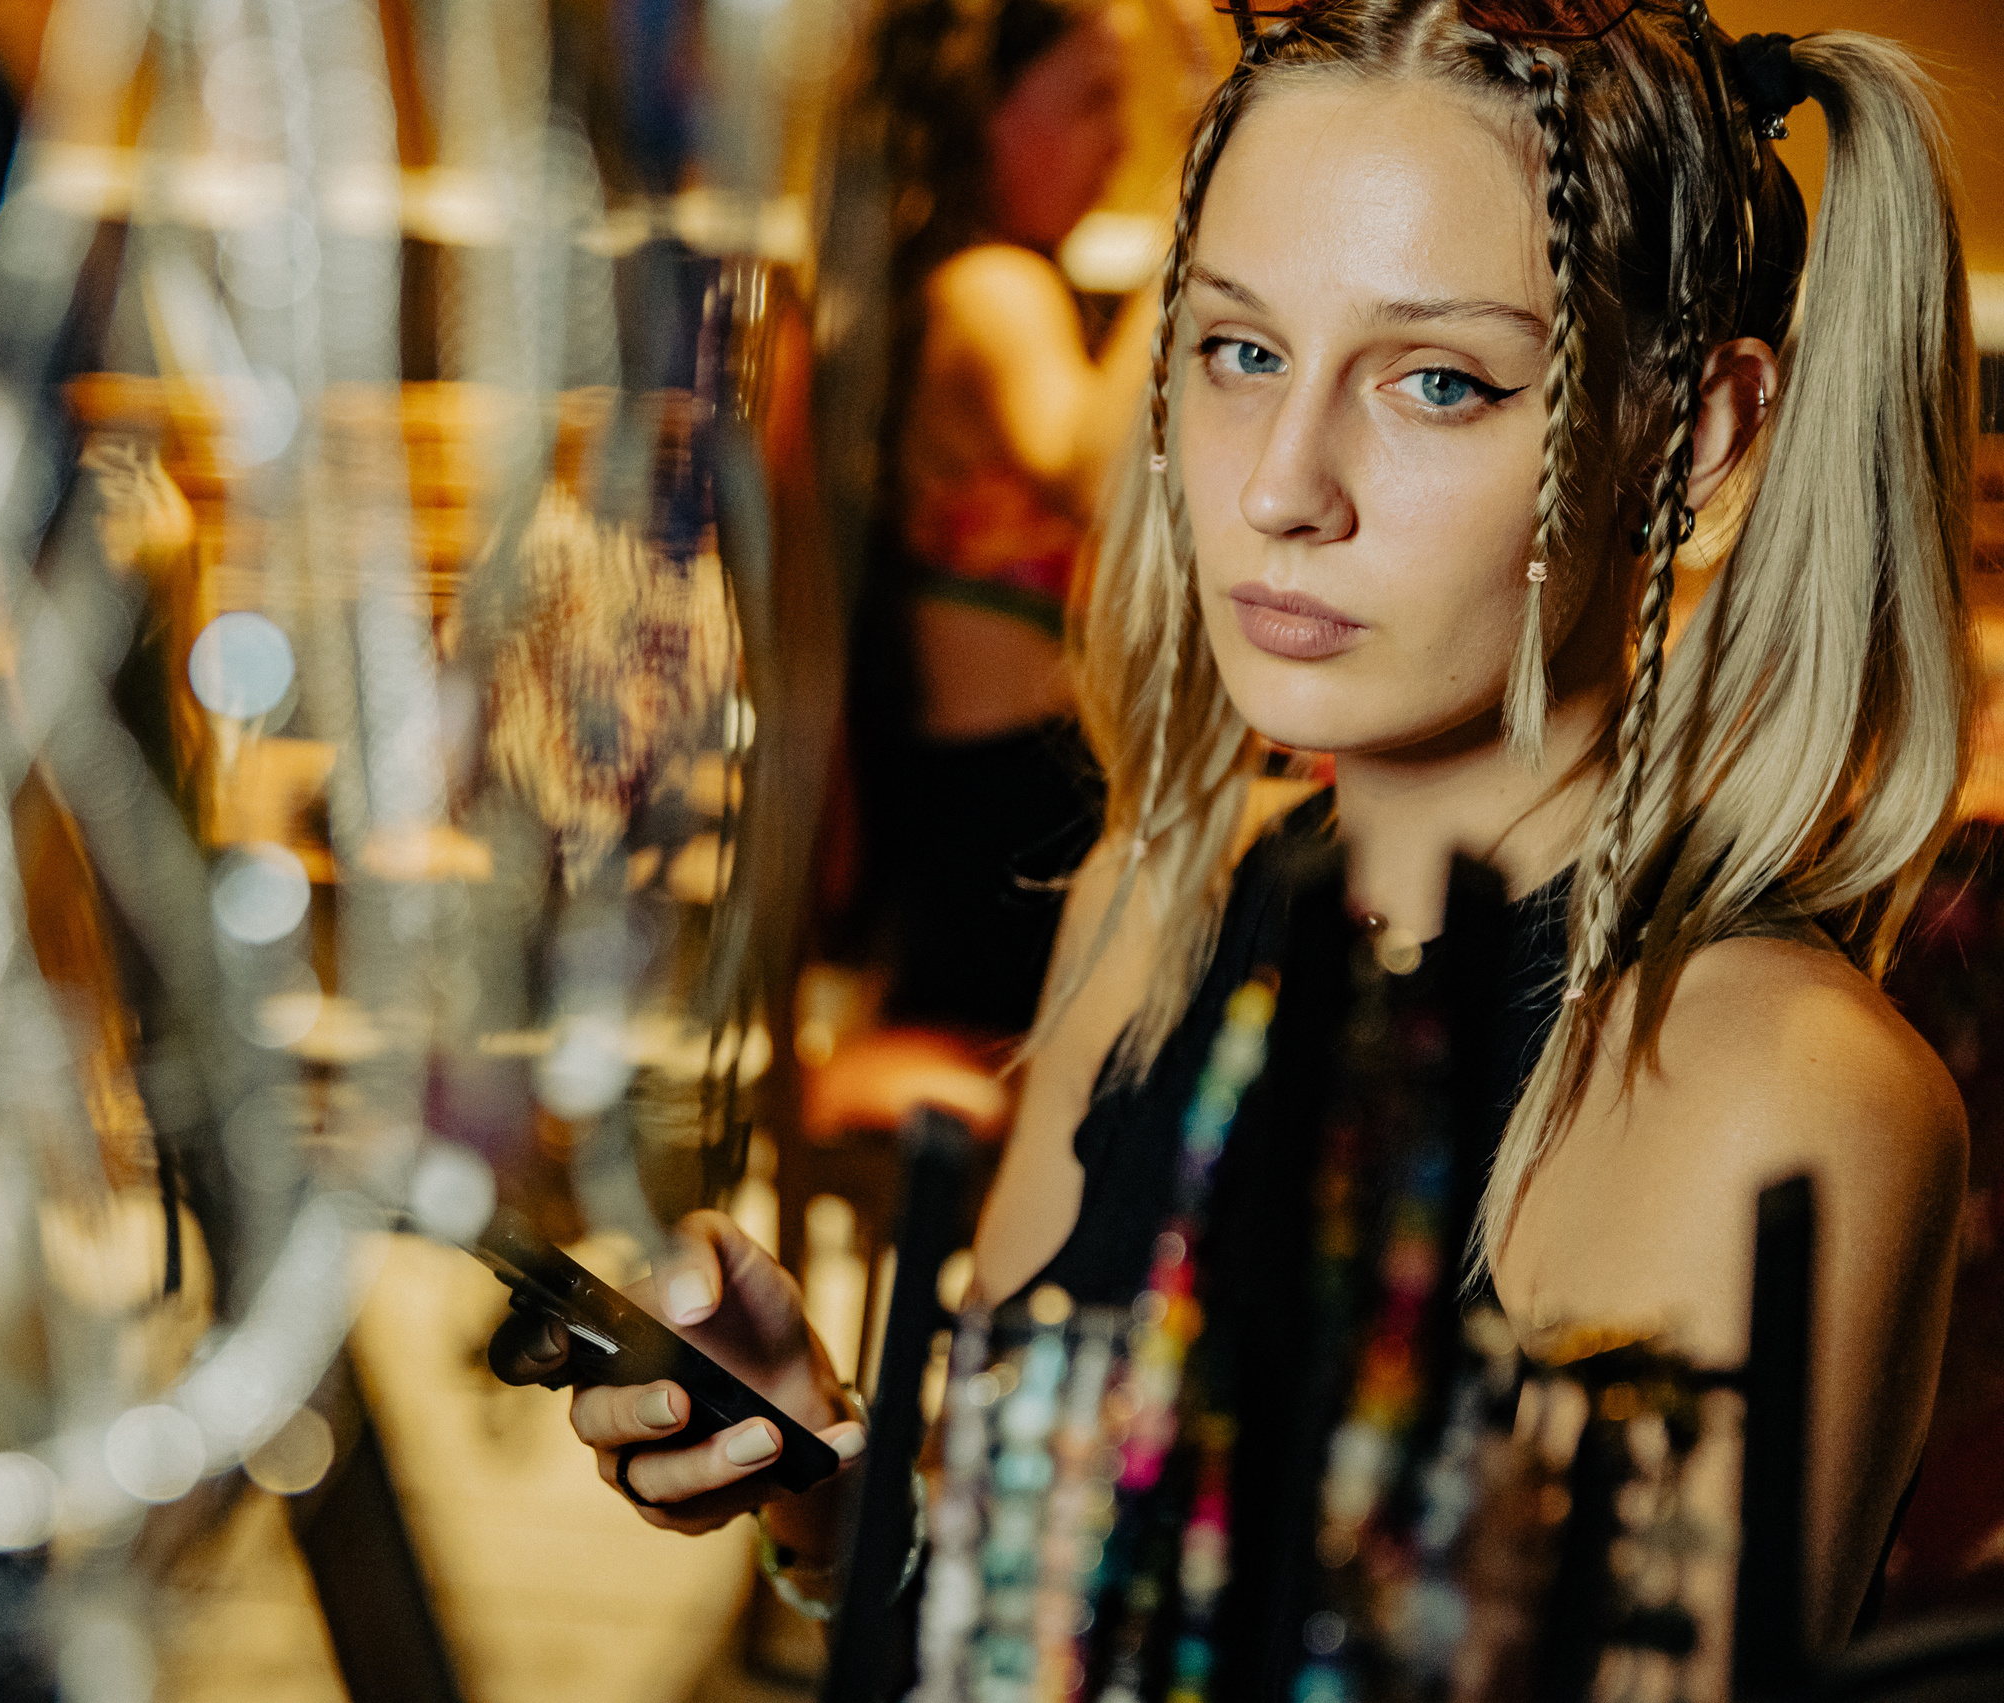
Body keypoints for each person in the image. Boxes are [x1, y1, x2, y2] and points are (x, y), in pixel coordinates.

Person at [497, 0, 1974, 1668]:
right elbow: (1015, 1610)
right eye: (1240, 350)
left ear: (1694, 435)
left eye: (1437, 381)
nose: (1282, 483)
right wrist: (826, 1472)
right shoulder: (1158, 896)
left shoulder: (1783, 1099)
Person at [829, 0, 1165, 1041]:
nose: (1120, 142)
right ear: (988, 110)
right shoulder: (993, 286)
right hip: (1005, 835)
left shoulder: (936, 283)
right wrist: (1197, 241)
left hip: (966, 822)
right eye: (1093, 100)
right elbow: (1096, 469)